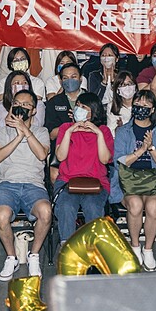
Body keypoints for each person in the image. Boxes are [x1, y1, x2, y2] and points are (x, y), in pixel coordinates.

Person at [0, 88, 52, 281]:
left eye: (26, 105)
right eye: (17, 104)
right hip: (7, 184)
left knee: (45, 212)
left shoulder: (42, 131)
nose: (21, 107)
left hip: (34, 185)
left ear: (33, 110)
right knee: (2, 215)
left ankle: (33, 255)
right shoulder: (3, 131)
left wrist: (25, 131)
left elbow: (42, 155)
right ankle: (12, 257)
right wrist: (18, 136)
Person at [114, 90, 156, 271]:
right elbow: (119, 161)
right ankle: (135, 246)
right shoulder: (123, 131)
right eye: (138, 104)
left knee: (153, 207)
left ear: (152, 109)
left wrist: (151, 148)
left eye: (146, 105)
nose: (141, 108)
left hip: (154, 181)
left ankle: (148, 249)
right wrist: (140, 151)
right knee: (136, 205)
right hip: (129, 181)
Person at [52, 92, 114, 239]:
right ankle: (67, 246)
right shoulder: (65, 127)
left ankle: (93, 247)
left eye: (84, 107)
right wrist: (70, 132)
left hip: (96, 181)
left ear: (94, 111)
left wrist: (98, 133)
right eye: (78, 105)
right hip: (67, 180)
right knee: (66, 207)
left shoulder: (104, 131)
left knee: (93, 207)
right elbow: (60, 156)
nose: (79, 109)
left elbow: (105, 159)